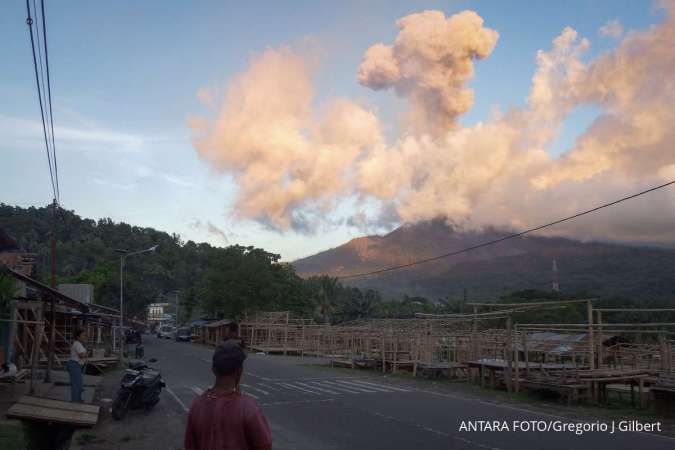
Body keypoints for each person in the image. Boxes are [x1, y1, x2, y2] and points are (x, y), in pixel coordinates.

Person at [184, 346, 271, 450]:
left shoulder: (197, 405)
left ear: (213, 370)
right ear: (239, 372)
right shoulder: (248, 408)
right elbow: (264, 445)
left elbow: (189, 445)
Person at [67, 329, 87, 402]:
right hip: (74, 365)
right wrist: (87, 353)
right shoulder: (77, 344)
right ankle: (75, 401)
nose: (85, 337)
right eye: (83, 335)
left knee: (79, 384)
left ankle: (77, 399)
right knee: (76, 384)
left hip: (76, 365)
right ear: (78, 337)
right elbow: (82, 355)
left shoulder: (78, 344)